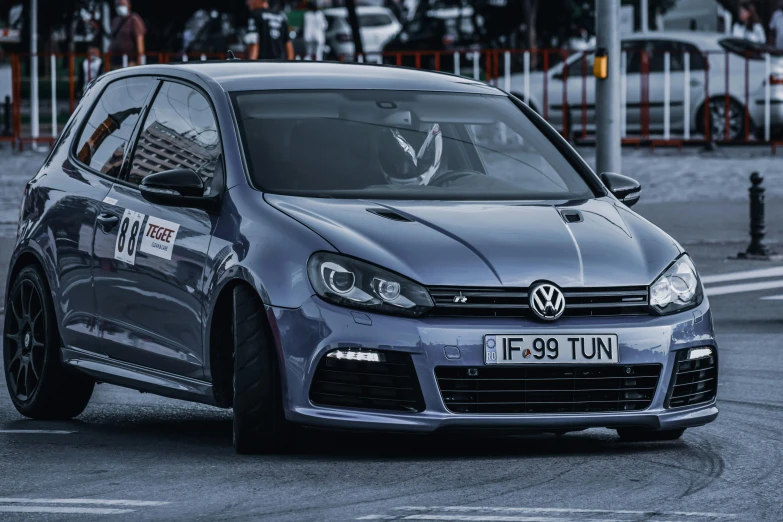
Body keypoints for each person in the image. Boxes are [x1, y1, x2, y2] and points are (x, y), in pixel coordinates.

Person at [108, 0, 146, 67]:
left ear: (129, 5)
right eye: (118, 5)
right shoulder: (115, 20)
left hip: (129, 61)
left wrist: (139, 63)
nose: (120, 7)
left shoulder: (134, 19)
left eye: (122, 4)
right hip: (115, 61)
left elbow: (139, 41)